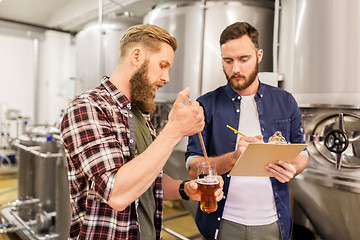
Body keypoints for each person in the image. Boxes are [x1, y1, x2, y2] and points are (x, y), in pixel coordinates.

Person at [60, 24, 223, 240]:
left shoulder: (140, 114)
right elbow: (116, 193)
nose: (166, 78)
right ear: (136, 56)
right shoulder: (87, 107)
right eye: (162, 65)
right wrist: (174, 131)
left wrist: (185, 189)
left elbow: (148, 179)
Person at [185, 22, 309, 240]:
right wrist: (233, 159)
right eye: (228, 61)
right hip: (222, 224)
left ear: (259, 55)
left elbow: (302, 153)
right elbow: (193, 167)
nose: (236, 69)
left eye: (243, 59)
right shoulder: (206, 105)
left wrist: (294, 167)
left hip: (273, 222)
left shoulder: (285, 101)